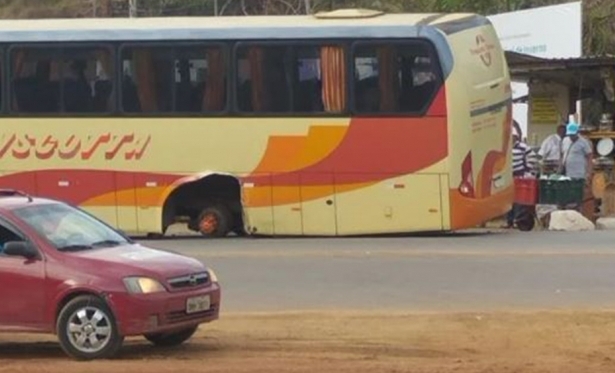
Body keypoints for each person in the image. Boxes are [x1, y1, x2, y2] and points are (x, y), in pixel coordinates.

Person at [503, 124, 538, 228]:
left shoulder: (523, 147)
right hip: (508, 176)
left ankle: (516, 220)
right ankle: (509, 221)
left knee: (518, 200)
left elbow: (531, 158)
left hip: (520, 176)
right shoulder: (506, 147)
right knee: (508, 200)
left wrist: (527, 170)